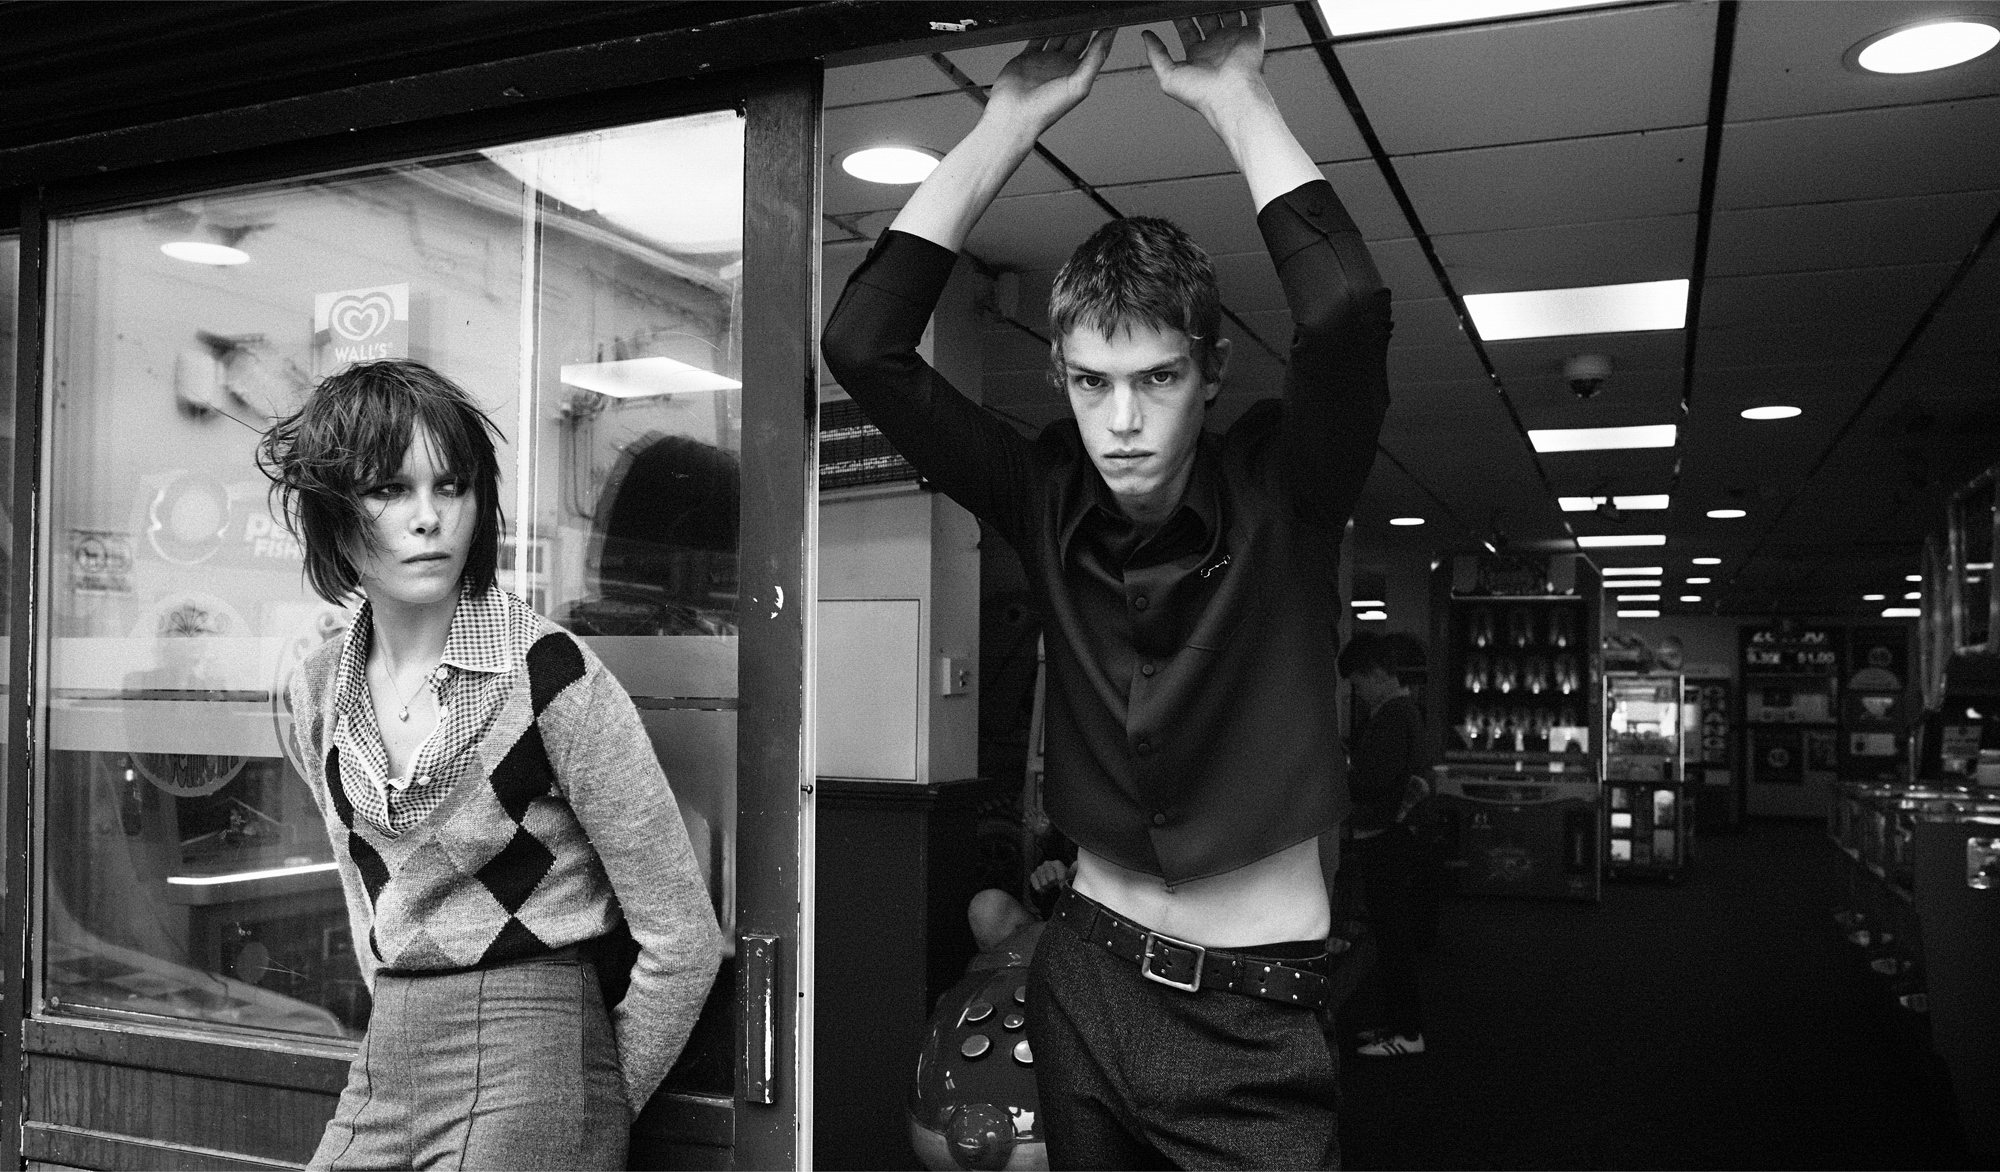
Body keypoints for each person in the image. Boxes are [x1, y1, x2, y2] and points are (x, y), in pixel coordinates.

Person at [822, 12, 1390, 1167]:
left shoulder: (1289, 489)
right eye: (1090, 382)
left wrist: (1237, 100)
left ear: (1211, 371)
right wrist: (1009, 117)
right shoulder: (1039, 492)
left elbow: (1344, 311)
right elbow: (862, 343)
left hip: (1249, 1017)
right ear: (1060, 377)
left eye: (1157, 378)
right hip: (1081, 975)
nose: (1121, 422)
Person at [258, 359, 723, 1170]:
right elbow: (366, 892)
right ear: (334, 516)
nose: (429, 518)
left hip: (533, 1047)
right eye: (389, 490)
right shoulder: (315, 688)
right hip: (389, 1049)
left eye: (452, 486)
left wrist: (595, 1098)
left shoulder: (554, 679)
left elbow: (682, 937)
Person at [1337, 631, 1438, 1058]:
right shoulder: (1403, 713)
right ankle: (1397, 1025)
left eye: (1358, 683)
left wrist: (1343, 767)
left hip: (1388, 840)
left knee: (1393, 937)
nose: (1357, 693)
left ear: (1376, 674)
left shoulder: (1394, 716)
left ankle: (1408, 1033)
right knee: (1390, 935)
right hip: (1396, 838)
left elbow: (1368, 782)